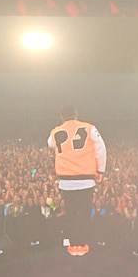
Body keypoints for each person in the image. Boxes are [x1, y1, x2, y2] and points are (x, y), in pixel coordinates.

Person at [48, 105, 107, 250]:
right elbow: (101, 149)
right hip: (86, 179)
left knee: (71, 213)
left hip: (66, 181)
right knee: (84, 213)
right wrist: (100, 171)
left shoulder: (55, 131)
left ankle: (73, 244)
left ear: (62, 117)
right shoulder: (89, 128)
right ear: (76, 115)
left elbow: (49, 144)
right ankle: (83, 243)